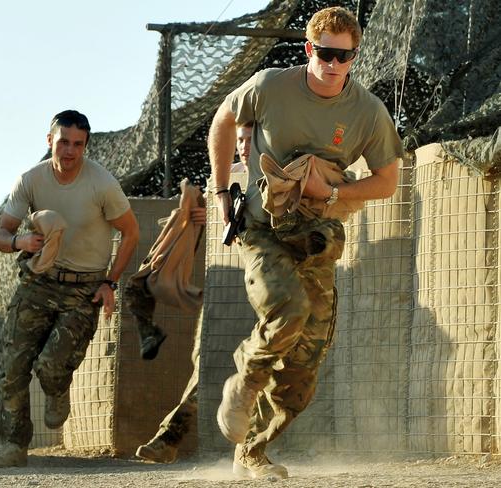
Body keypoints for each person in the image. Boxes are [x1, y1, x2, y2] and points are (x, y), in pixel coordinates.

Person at [208, 7, 403, 480]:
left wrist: (332, 193)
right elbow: (223, 121)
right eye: (326, 53)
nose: (334, 64)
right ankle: (244, 382)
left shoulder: (367, 112)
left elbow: (386, 181)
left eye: (345, 56)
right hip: (262, 230)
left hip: (318, 238)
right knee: (286, 309)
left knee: (305, 363)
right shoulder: (271, 85)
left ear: (354, 57)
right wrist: (220, 192)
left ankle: (252, 450)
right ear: (308, 49)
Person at [0, 110, 140, 468]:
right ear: (49, 141)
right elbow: (1, 235)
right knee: (13, 365)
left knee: (52, 365)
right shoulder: (31, 180)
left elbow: (130, 232)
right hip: (39, 282)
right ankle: (13, 444)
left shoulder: (101, 183)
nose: (70, 151)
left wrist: (109, 282)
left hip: (83, 289)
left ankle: (57, 389)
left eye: (78, 145)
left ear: (85, 146)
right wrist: (20, 240)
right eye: (63, 142)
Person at [135, 124, 252, 464]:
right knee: (206, 365)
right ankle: (169, 439)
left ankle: (244, 448)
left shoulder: (276, 174)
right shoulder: (224, 181)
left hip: (267, 293)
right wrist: (202, 219)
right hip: (225, 292)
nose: (243, 147)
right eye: (239, 140)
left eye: (249, 139)